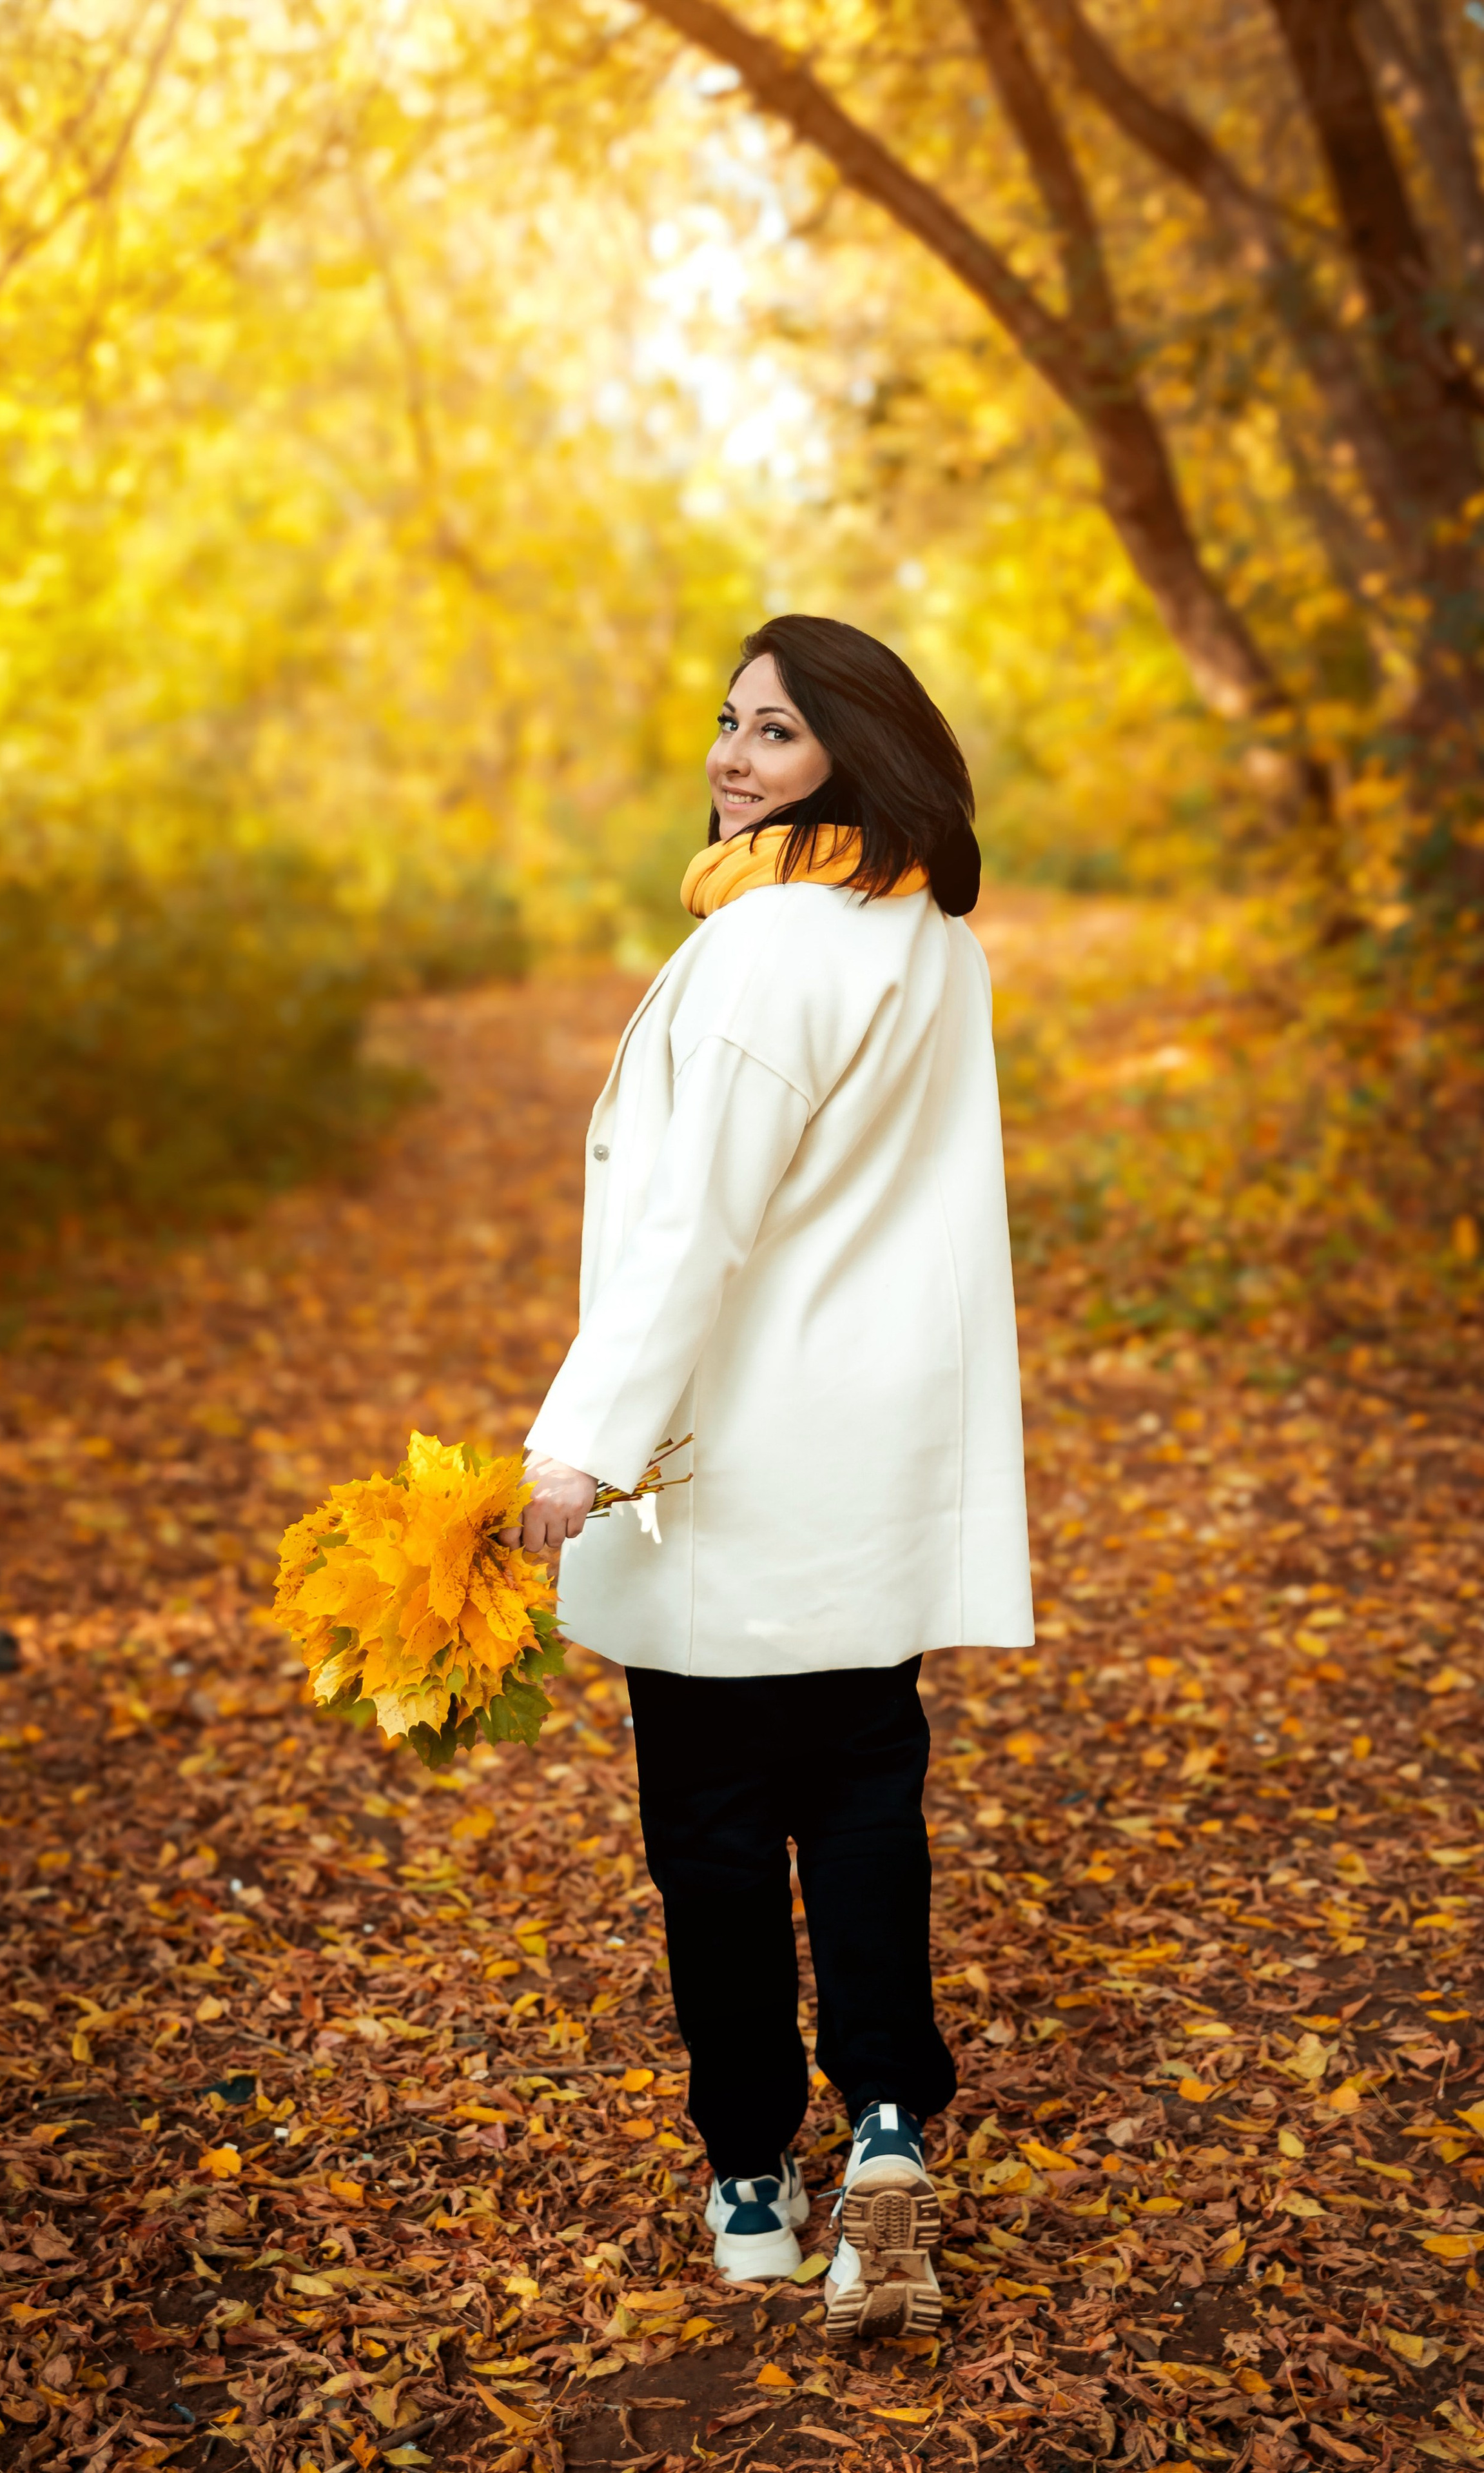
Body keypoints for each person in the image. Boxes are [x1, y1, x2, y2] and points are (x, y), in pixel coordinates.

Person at [511, 613, 1033, 2343]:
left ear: (856, 756)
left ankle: (754, 2171)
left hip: (727, 1476)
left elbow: (691, 1231)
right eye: (730, 723)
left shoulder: (763, 951)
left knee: (719, 1840)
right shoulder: (926, 941)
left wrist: (579, 1440)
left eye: (780, 733)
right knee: (870, 1806)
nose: (736, 757)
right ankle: (887, 2116)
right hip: (867, 1468)